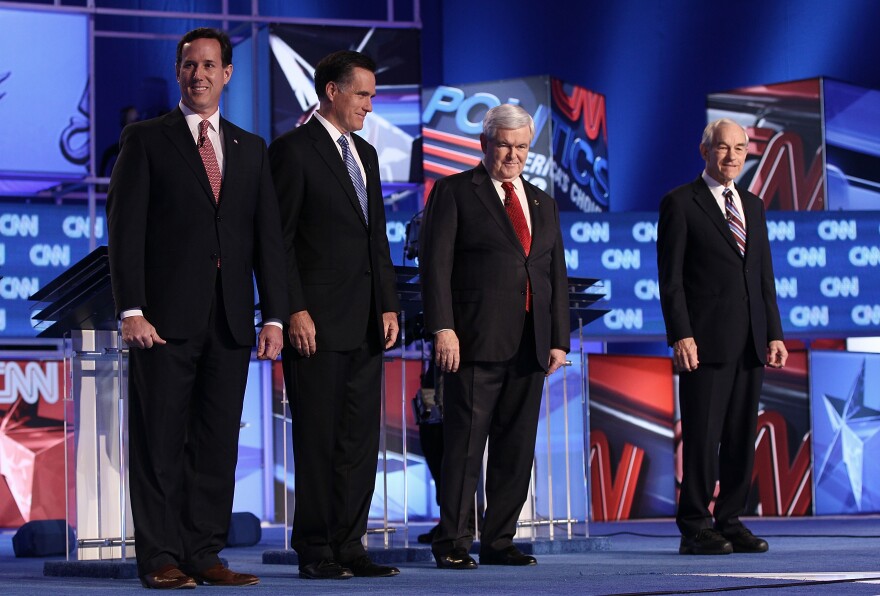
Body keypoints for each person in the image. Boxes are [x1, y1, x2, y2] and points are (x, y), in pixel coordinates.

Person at [106, 27, 287, 589]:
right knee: (160, 441)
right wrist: (131, 308)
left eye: (210, 65)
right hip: (162, 320)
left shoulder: (249, 148)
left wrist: (275, 315)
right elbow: (125, 232)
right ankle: (160, 557)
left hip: (231, 320)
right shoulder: (146, 139)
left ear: (226, 74)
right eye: (189, 65)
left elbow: (267, 240)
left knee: (215, 442)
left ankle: (204, 553)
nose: (199, 74)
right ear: (179, 71)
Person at [268, 50, 401, 580]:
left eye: (371, 94)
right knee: (319, 439)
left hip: (367, 321)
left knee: (358, 440)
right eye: (363, 94)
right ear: (332, 92)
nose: (370, 104)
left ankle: (351, 544)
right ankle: (316, 548)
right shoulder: (293, 152)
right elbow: (279, 242)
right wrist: (292, 309)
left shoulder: (366, 154)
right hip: (315, 325)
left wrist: (388, 303)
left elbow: (378, 239)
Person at [419, 103, 570, 570]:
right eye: (504, 145)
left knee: (516, 446)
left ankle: (500, 539)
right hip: (472, 340)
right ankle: (454, 542)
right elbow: (435, 266)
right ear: (485, 144)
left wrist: (558, 340)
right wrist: (443, 328)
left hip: (531, 343)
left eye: (522, 146)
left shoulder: (543, 201)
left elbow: (554, 275)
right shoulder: (454, 192)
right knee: (464, 447)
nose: (513, 155)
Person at [657, 118, 788, 556]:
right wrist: (681, 335)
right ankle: (695, 525)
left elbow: (764, 276)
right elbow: (671, 281)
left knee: (738, 437)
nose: (731, 156)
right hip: (704, 344)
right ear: (704, 150)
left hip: (751, 341)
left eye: (739, 148)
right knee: (701, 438)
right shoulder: (680, 203)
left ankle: (729, 521)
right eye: (722, 147)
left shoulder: (753, 204)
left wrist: (774, 333)